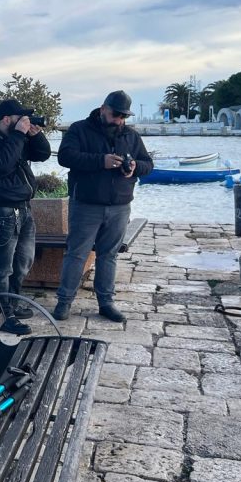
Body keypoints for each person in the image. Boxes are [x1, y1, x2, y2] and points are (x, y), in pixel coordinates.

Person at [54, 90, 152, 322]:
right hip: (86, 205)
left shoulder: (131, 136)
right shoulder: (79, 129)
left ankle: (106, 303)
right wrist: (101, 161)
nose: (119, 120)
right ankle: (64, 302)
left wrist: (134, 167)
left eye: (124, 116)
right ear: (103, 109)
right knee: (77, 254)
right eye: (116, 114)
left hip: (120, 206)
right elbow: (65, 157)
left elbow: (148, 164)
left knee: (109, 256)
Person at [0, 99, 51, 335]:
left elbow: (43, 154)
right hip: (2, 211)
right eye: (20, 118)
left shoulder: (13, 137)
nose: (24, 122)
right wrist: (18, 135)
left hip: (23, 209)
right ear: (7, 119)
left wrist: (35, 135)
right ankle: (3, 313)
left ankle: (13, 304)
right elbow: (0, 165)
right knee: (2, 266)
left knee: (23, 262)